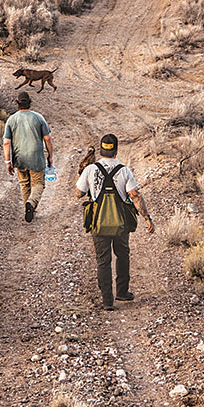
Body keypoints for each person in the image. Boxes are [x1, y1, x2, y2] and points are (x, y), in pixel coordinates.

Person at [76, 132, 154, 310]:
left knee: (103, 260)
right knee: (122, 254)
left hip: (98, 223)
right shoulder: (124, 170)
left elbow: (78, 193)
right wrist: (147, 218)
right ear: (116, 150)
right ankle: (122, 292)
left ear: (101, 150)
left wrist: (84, 174)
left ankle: (107, 301)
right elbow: (135, 196)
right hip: (120, 223)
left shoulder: (91, 169)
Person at [2, 91, 53, 222]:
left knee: (25, 184)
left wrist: (8, 161)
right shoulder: (39, 118)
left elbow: (6, 142)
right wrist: (50, 156)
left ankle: (28, 209)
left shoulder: (11, 119)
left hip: (19, 158)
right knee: (38, 184)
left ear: (17, 104)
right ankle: (31, 203)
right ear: (30, 103)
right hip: (36, 157)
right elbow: (47, 138)